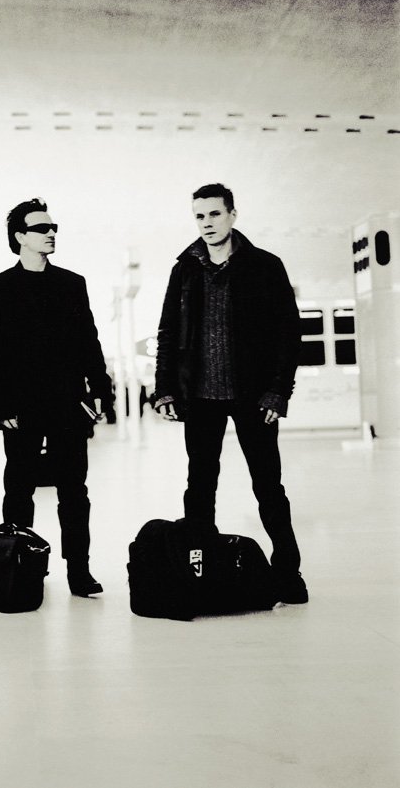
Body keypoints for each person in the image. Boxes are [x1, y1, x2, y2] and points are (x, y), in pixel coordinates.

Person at [153, 183, 308, 604]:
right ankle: (198, 570)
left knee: (268, 487)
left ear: (233, 215)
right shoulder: (184, 269)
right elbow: (168, 332)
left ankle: (289, 572)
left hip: (253, 396)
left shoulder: (264, 265)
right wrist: (165, 389)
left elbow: (288, 333)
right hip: (200, 397)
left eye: (215, 214)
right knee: (199, 486)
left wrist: (278, 391)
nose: (207, 223)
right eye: (199, 216)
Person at [0, 197, 112, 597]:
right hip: (21, 407)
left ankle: (79, 570)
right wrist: (2, 406)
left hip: (68, 403)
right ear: (20, 236)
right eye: (41, 228)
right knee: (19, 489)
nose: (51, 233)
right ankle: (20, 565)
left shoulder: (72, 284)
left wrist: (100, 389)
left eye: (54, 228)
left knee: (74, 491)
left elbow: (89, 341)